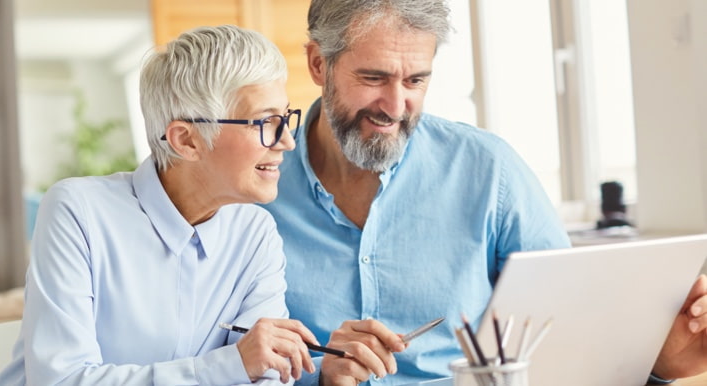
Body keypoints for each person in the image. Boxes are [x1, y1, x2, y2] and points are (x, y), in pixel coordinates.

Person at [260, 0, 707, 385]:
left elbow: (573, 340)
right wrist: (319, 378)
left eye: (416, 81)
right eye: (374, 78)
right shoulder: (256, 187)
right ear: (319, 63)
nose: (395, 108)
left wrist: (659, 365)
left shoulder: (489, 172)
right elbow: (215, 359)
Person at [0, 25, 318, 385]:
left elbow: (265, 376)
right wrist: (229, 366)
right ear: (186, 140)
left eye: (285, 118)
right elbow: (61, 380)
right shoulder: (78, 212)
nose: (287, 141)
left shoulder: (255, 232)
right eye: (266, 122)